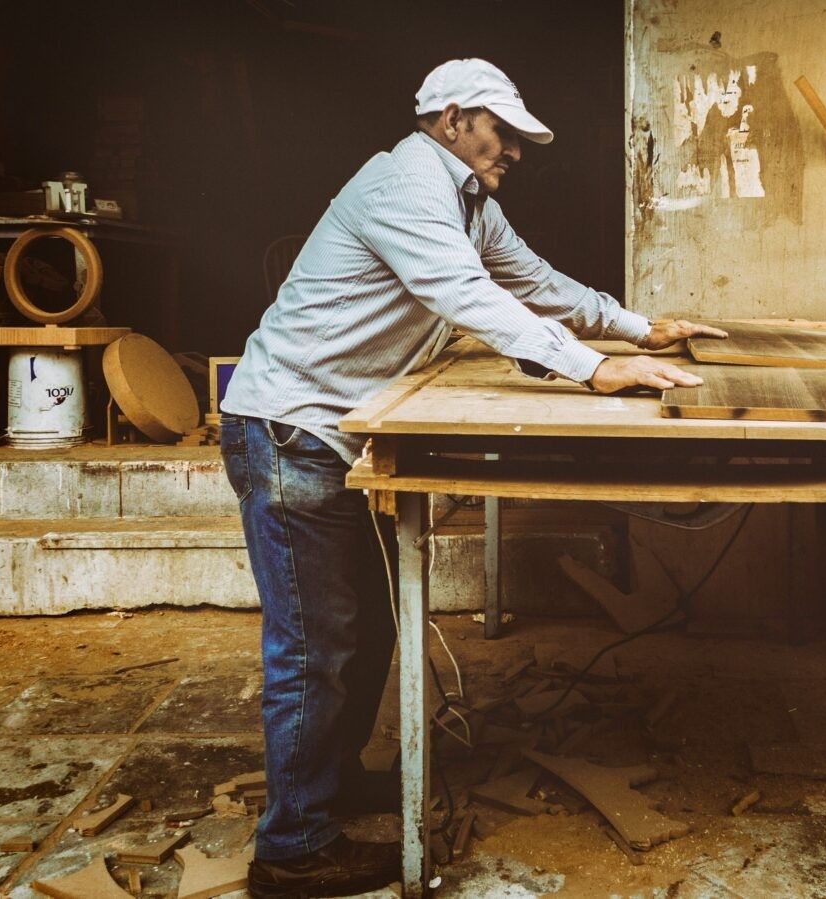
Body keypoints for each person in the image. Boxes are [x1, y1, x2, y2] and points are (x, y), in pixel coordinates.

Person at [219, 58, 725, 897]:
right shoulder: (403, 188)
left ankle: (330, 786)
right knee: (314, 649)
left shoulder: (465, 199)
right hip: (287, 432)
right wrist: (593, 371)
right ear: (453, 119)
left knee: (369, 631)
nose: (516, 152)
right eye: (503, 133)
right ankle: (291, 850)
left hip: (328, 435)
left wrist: (640, 327)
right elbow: (467, 297)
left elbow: (531, 280)